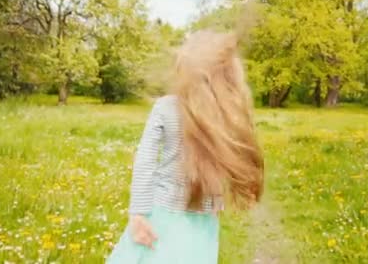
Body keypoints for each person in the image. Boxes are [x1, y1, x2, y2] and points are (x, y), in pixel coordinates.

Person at [107, 30, 264, 263]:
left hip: (162, 214)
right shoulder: (227, 114)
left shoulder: (165, 107)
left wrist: (137, 213)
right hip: (203, 219)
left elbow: (145, 162)